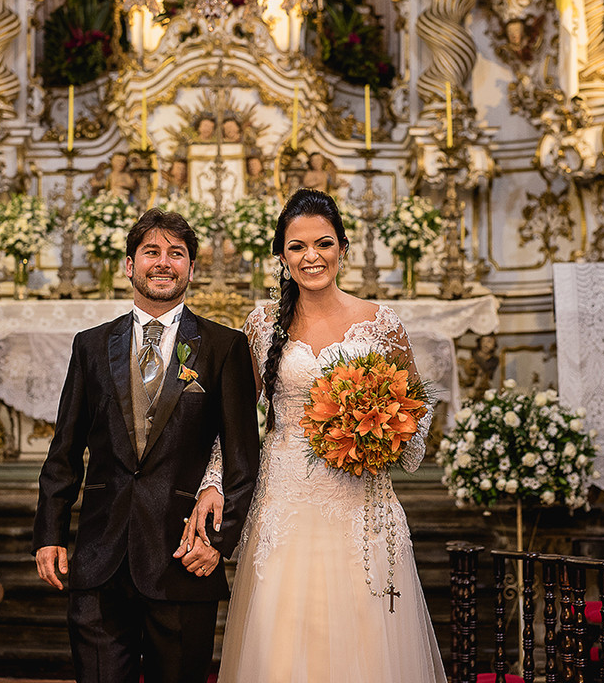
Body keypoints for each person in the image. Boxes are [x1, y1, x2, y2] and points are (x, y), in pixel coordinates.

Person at [183, 188, 447, 682]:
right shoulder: (262, 325)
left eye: (323, 244)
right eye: (298, 247)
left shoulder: (381, 323)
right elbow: (237, 421)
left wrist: (383, 432)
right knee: (285, 632)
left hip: (361, 499)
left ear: (343, 248)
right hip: (285, 499)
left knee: (366, 634)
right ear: (281, 255)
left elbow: (417, 416)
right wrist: (214, 481)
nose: (312, 257)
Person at [33, 208, 261, 683]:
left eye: (176, 253)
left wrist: (220, 542)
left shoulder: (224, 347)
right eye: (151, 252)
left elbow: (243, 460)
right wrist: (50, 533)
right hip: (100, 558)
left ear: (191, 269)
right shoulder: (91, 346)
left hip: (183, 559)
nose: (163, 262)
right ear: (130, 265)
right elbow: (65, 451)